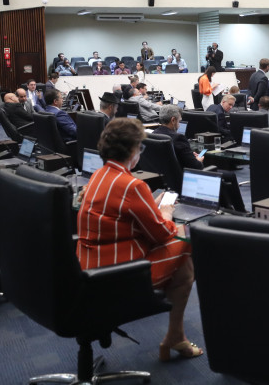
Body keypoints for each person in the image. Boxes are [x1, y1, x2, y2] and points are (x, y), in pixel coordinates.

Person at [75, 118, 203, 362]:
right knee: (184, 241)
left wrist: (149, 208)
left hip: (87, 268)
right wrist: (164, 213)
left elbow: (118, 216)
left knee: (182, 267)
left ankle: (177, 335)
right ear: (133, 150)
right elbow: (162, 234)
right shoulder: (132, 185)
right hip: (116, 274)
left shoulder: (99, 175)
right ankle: (175, 336)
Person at [154, 105, 205, 170]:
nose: (179, 125)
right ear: (173, 120)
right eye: (179, 121)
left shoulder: (154, 134)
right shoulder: (178, 138)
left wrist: (189, 154)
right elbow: (196, 166)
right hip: (181, 178)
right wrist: (199, 160)